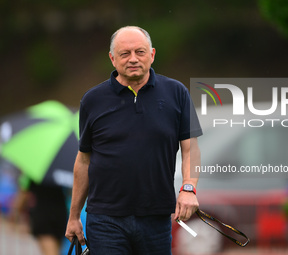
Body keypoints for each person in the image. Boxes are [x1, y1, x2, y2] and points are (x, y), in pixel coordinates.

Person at [65, 26, 202, 254]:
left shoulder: (177, 93)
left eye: (140, 52)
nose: (133, 59)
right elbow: (84, 160)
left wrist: (189, 188)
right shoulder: (92, 100)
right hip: (105, 219)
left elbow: (190, 149)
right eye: (124, 54)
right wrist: (74, 216)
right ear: (112, 59)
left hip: (156, 218)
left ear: (152, 54)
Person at [10, 176, 67, 255]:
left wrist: (15, 214)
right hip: (61, 213)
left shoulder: (34, 172)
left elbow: (23, 193)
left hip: (43, 214)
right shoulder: (60, 172)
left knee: (50, 251)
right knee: (55, 250)